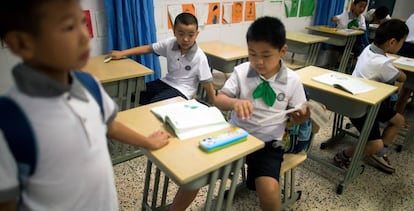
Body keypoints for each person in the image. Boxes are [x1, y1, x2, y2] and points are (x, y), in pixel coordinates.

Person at [0, 1, 170, 210]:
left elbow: (110, 126)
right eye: (69, 27)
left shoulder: (89, 85)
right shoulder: (9, 123)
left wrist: (146, 141)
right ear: (21, 43)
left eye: (82, 22)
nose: (84, 36)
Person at [168, 16, 310, 211]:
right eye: (252, 54)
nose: (258, 61)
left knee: (269, 190)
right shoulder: (242, 71)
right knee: (196, 174)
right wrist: (234, 102)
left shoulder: (293, 80)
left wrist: (301, 116)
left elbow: (299, 114)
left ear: (282, 51)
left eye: (266, 55)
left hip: (269, 144)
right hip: (235, 135)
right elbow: (219, 100)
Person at [334, 19, 409, 174]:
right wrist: (393, 67)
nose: (403, 46)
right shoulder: (382, 63)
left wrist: (389, 64)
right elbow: (402, 78)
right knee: (376, 144)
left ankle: (379, 153)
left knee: (399, 121)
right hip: (363, 107)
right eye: (402, 42)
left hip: (365, 99)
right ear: (392, 42)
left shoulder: (369, 48)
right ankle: (343, 156)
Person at [108, 13, 216, 105]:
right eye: (181, 34)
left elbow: (207, 82)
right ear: (174, 32)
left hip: (183, 90)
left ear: (197, 34)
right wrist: (122, 53)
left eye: (191, 35)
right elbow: (148, 48)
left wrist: (214, 103)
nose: (186, 39)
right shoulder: (170, 43)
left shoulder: (199, 56)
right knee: (134, 94)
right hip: (166, 82)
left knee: (156, 104)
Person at [395, 13, 414, 115]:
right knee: (407, 88)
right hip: (410, 48)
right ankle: (398, 114)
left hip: (404, 46)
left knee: (406, 87)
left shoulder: (412, 15)